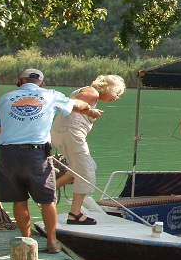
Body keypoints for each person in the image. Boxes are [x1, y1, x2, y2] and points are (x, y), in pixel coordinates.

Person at [0, 68, 101, 253]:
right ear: (41, 83)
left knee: (19, 200)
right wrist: (91, 112)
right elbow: (78, 106)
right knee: (47, 199)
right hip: (36, 154)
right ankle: (51, 242)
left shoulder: (4, 98)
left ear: (20, 80)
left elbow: (0, 130)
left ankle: (26, 242)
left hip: (7, 154)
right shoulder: (50, 95)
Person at [52, 74, 126, 225]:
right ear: (108, 88)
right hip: (71, 133)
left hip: (63, 132)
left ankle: (51, 189)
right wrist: (90, 111)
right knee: (86, 172)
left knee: (88, 166)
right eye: (116, 93)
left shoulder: (90, 94)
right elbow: (71, 103)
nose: (116, 97)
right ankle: (75, 214)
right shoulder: (92, 93)